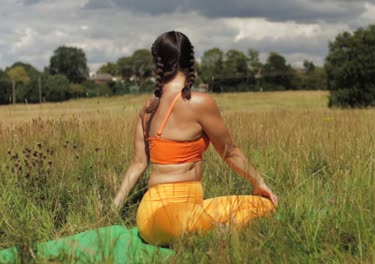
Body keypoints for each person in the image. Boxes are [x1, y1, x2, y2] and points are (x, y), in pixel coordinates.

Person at [113, 31, 278, 246]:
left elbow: (138, 163)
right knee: (191, 221)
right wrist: (260, 181)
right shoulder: (182, 104)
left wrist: (259, 185)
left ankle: (209, 230)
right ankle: (214, 232)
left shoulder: (155, 106)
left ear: (158, 63)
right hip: (160, 214)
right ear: (191, 61)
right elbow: (230, 152)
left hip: (190, 208)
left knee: (263, 206)